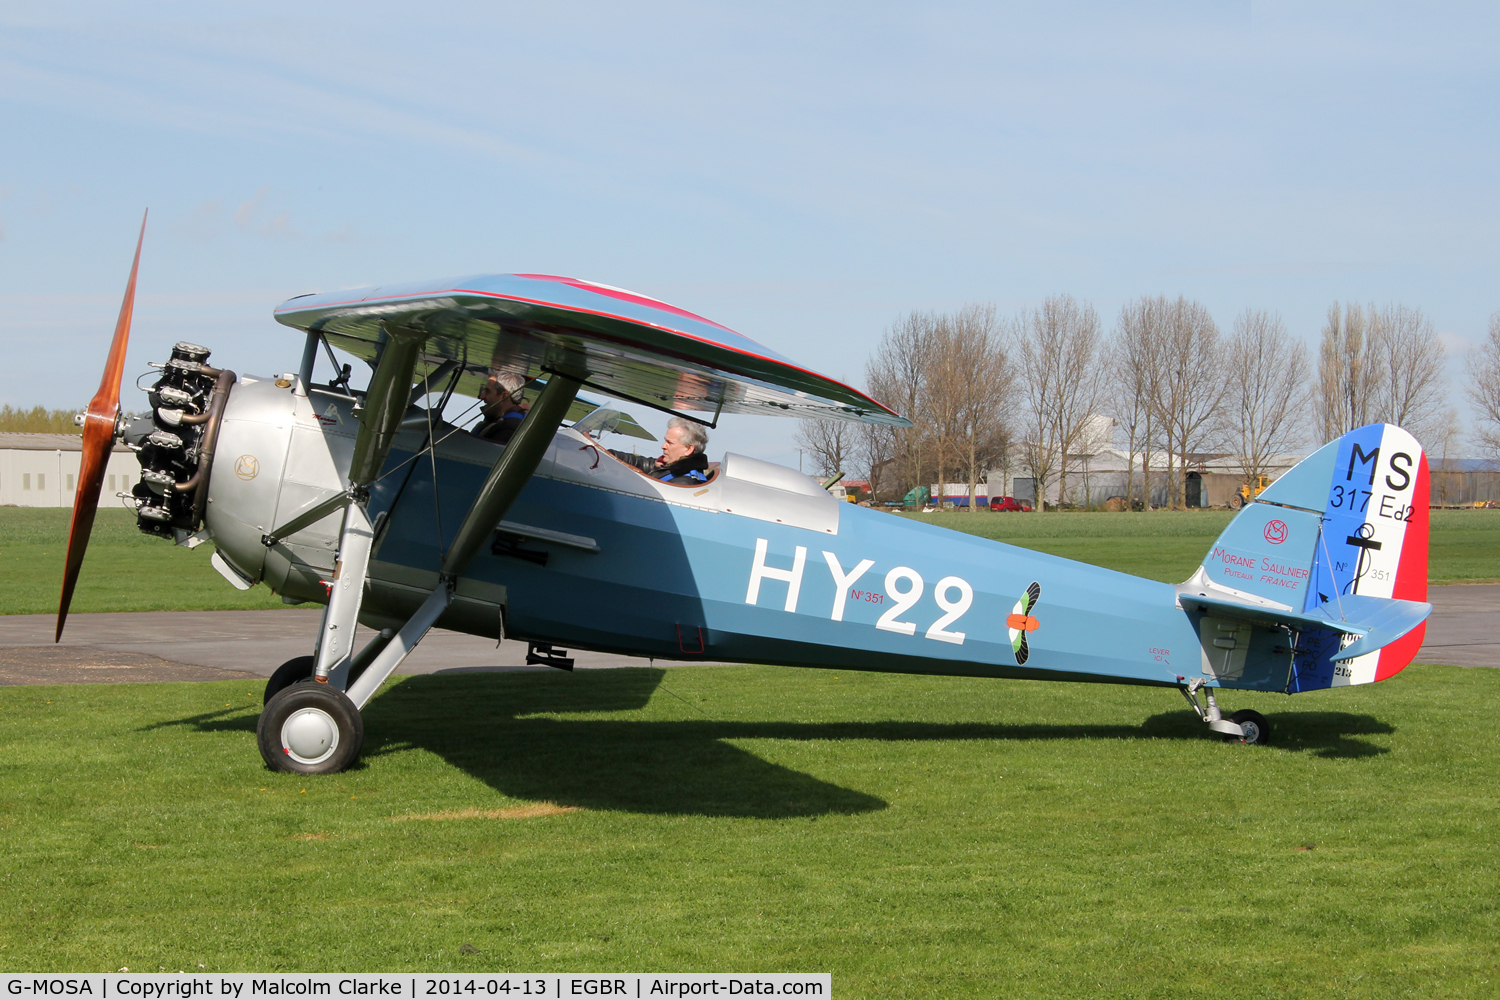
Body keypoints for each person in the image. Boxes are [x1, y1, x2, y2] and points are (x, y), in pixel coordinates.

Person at [472, 373, 529, 444]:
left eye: (487, 391)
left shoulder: (509, 429)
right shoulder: (497, 420)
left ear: (504, 396)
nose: (482, 396)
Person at [650, 417, 711, 483]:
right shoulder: (671, 467)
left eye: (670, 442)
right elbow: (646, 463)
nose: (663, 446)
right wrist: (657, 468)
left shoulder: (683, 483)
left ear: (689, 449)